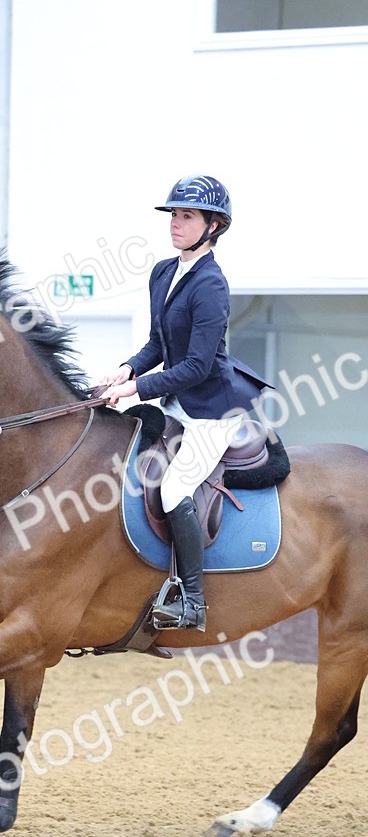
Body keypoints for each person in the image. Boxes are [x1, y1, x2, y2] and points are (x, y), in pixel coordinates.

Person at [98, 174, 269, 631]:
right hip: (176, 402)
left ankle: (194, 602)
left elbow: (196, 366)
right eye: (173, 214)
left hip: (211, 409)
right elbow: (157, 342)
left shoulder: (211, 285)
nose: (175, 223)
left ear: (213, 226)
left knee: (175, 489)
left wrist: (136, 389)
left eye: (186, 216)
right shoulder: (163, 272)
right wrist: (128, 369)